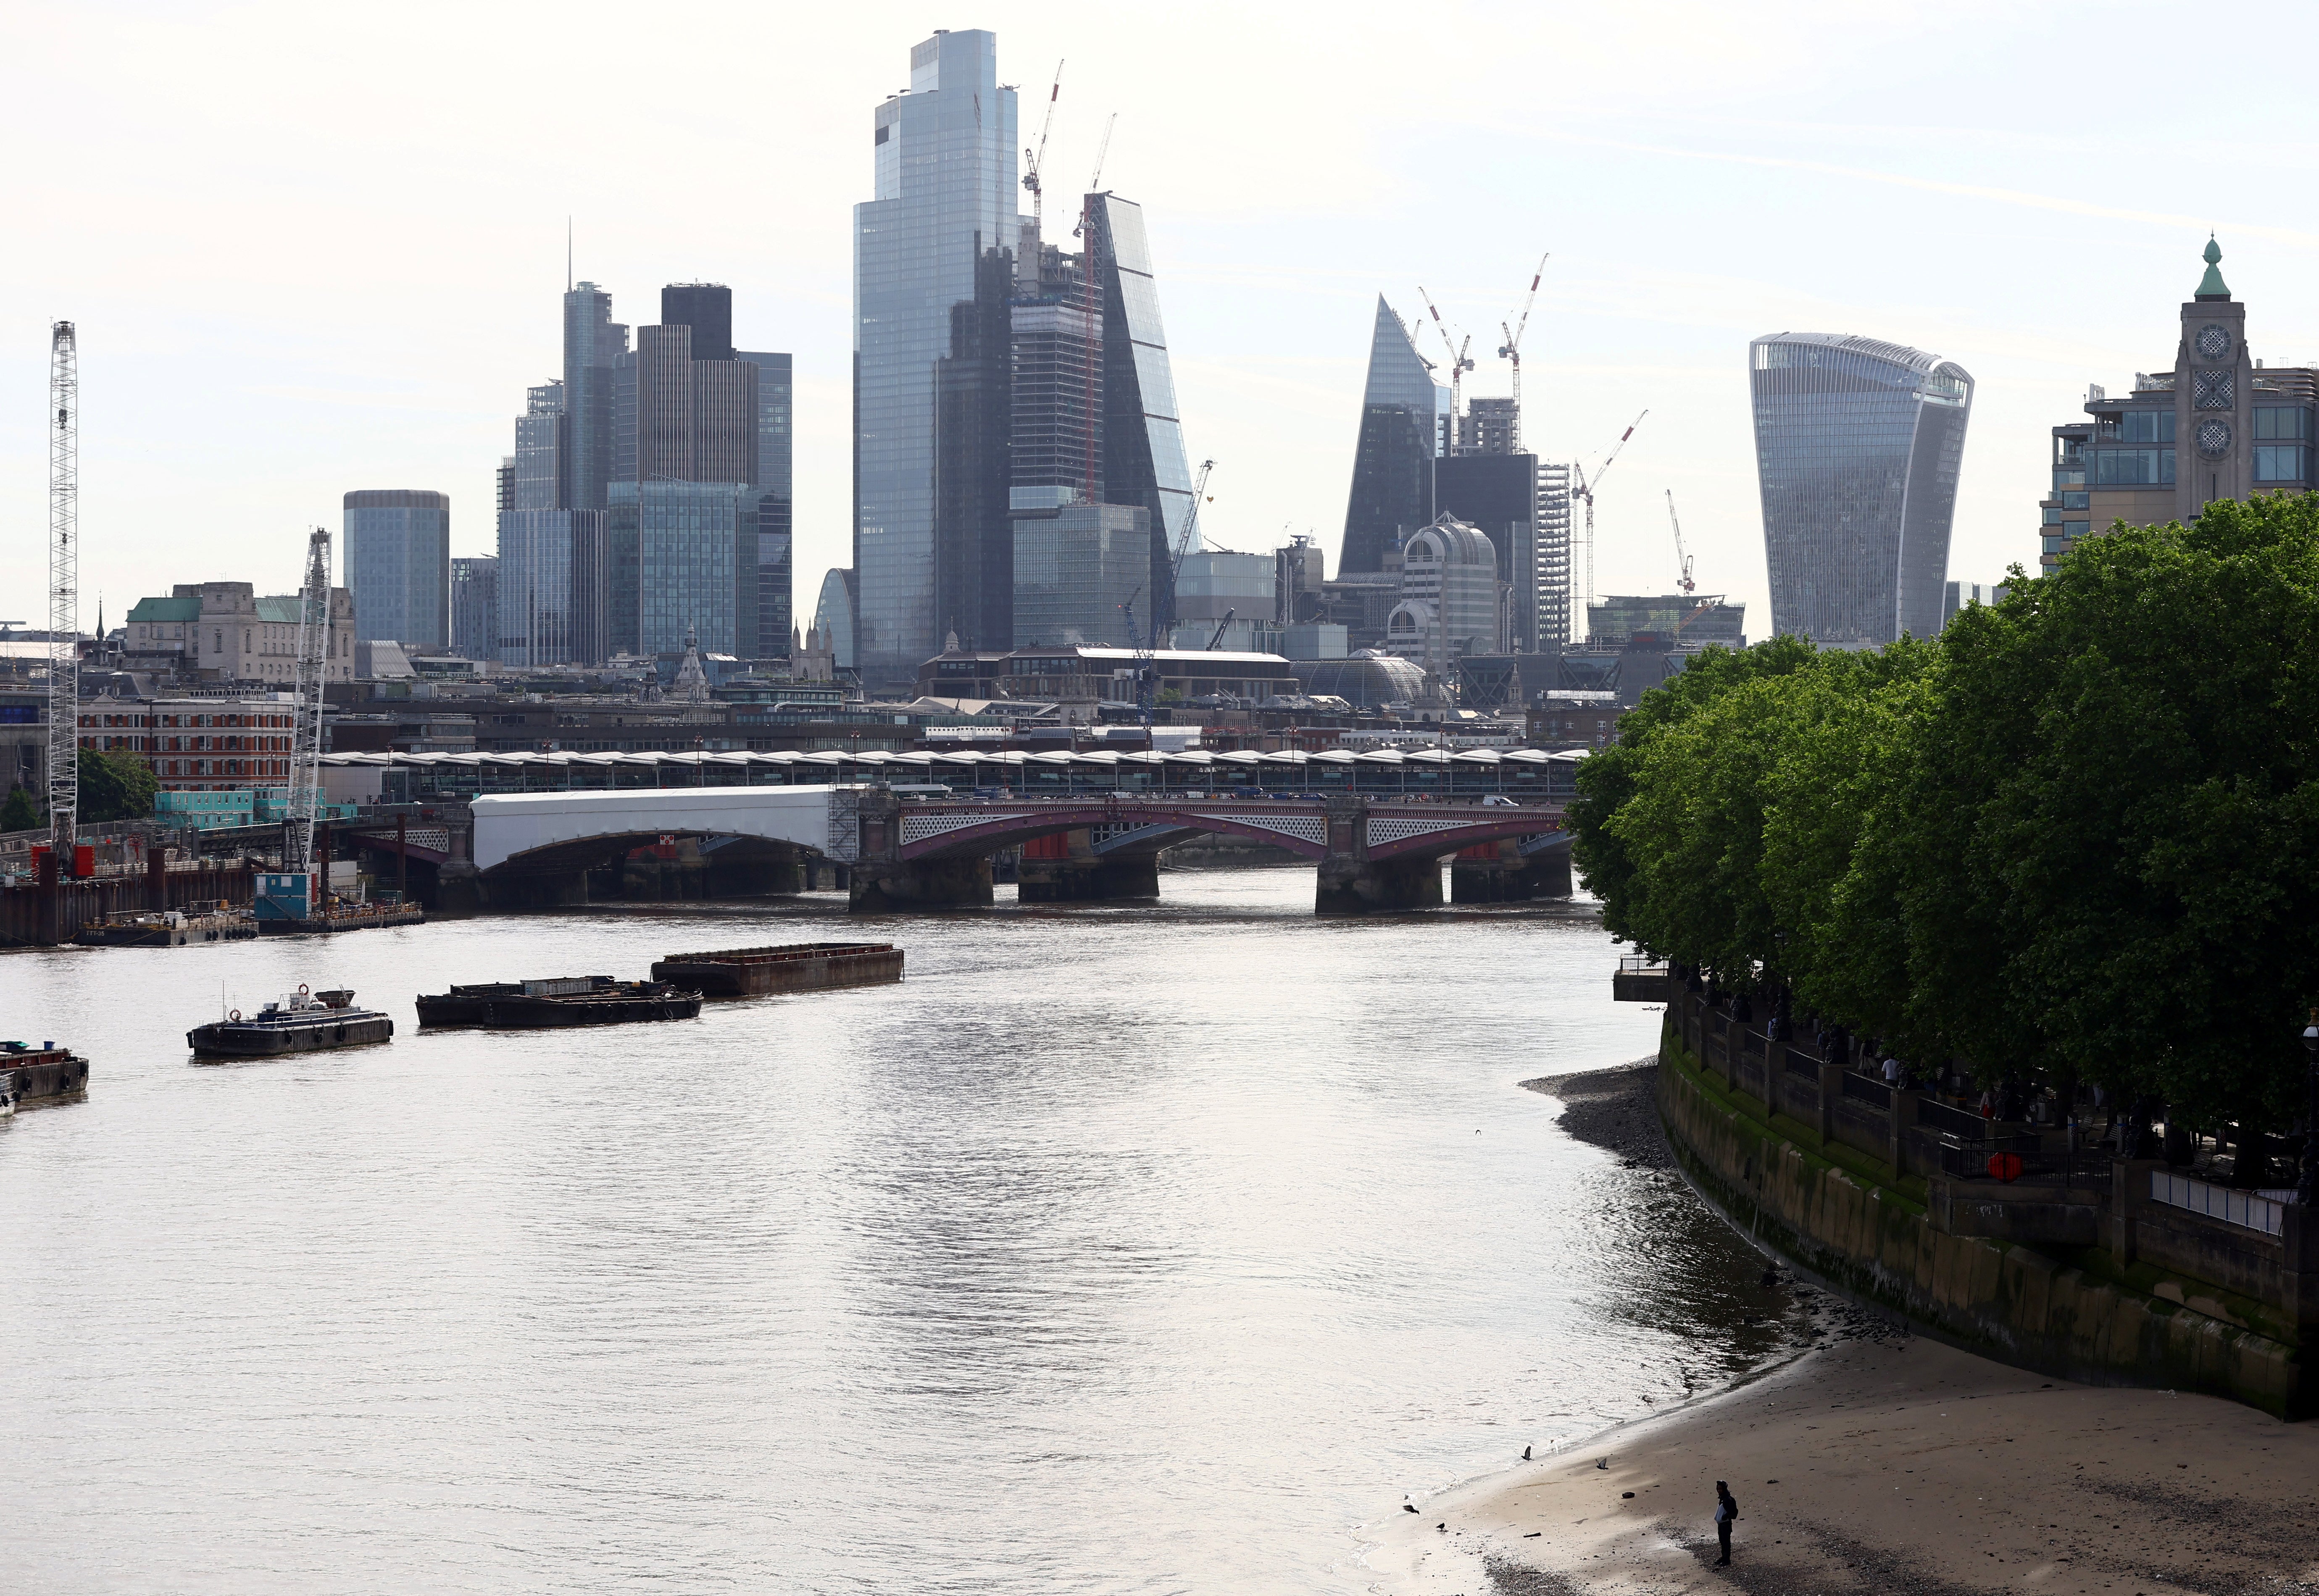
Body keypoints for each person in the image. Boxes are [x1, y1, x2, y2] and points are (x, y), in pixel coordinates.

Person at [1713, 1481, 1738, 1565]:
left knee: (1726, 1541)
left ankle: (1727, 1559)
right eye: (1718, 1489)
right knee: (1722, 1541)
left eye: (1721, 1489)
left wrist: (1725, 1517)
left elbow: (1732, 1512)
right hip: (1721, 1524)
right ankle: (1724, 1557)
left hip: (1726, 1524)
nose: (1719, 1491)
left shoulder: (1727, 1499)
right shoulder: (1723, 1499)